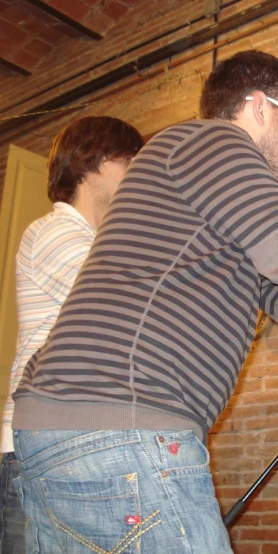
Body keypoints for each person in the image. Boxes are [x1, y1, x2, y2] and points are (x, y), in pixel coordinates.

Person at [12, 50, 278, 553]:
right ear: (259, 108)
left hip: (78, 429)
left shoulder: (212, 192)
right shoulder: (213, 141)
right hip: (121, 425)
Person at [0, 116, 143, 553]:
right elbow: (122, 309)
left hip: (76, 447)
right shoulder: (54, 231)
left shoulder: (102, 242)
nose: (138, 175)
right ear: (94, 162)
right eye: (130, 163)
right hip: (39, 453)